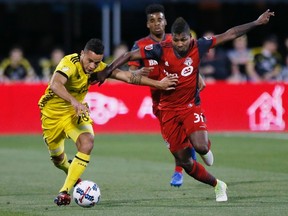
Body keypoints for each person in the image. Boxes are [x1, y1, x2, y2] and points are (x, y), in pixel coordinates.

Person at [94, 9, 275, 202]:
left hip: (190, 105)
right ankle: (218, 185)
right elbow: (129, 56)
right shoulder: (161, 48)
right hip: (167, 110)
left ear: (190, 38)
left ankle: (205, 148)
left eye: (183, 40)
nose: (180, 44)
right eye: (177, 41)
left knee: (201, 146)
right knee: (185, 161)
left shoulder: (200, 45)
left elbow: (230, 34)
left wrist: (255, 23)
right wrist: (107, 69)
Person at [38, 38, 177, 206]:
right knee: (58, 160)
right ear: (82, 54)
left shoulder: (99, 67)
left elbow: (128, 76)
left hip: (75, 114)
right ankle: (75, 177)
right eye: (89, 61)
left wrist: (159, 84)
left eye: (96, 63)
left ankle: (64, 192)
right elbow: (55, 84)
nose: (92, 66)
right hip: (52, 116)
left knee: (87, 142)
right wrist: (74, 101)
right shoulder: (69, 63)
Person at [128, 4, 200, 187]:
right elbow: (131, 73)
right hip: (160, 101)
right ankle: (188, 155)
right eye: (152, 21)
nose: (156, 23)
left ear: (165, 21)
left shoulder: (176, 40)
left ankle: (179, 171)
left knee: (186, 133)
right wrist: (140, 72)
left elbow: (191, 61)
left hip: (182, 97)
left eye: (159, 19)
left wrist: (199, 78)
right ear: (147, 24)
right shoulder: (141, 45)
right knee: (174, 141)